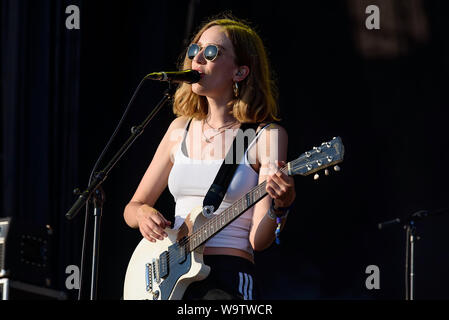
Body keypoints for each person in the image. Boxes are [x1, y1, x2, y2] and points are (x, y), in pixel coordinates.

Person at [123, 15, 296, 300]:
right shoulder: (180, 128)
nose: (198, 58)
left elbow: (258, 240)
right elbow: (132, 207)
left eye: (212, 52)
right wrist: (143, 214)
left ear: (240, 72)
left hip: (226, 276)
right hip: (169, 274)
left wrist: (282, 206)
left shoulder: (265, 136)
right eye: (195, 50)